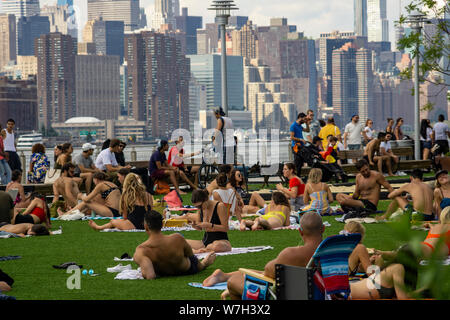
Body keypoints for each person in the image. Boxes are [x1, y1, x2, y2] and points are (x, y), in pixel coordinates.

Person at [202, 212, 324, 299]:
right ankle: (226, 275)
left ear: (300, 231)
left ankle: (228, 277)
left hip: (294, 294)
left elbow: (267, 272)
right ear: (323, 229)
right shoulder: (335, 250)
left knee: (233, 282)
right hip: (324, 293)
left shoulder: (292, 254)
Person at [133, 210, 217, 279]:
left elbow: (150, 275)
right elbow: (195, 263)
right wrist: (204, 264)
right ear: (162, 225)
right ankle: (206, 262)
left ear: (146, 227)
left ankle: (205, 262)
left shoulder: (141, 250)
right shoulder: (177, 238)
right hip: (186, 270)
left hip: (163, 272)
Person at [350, 245, 422, 299]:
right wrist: (423, 291)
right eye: (418, 257)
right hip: (346, 292)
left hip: (350, 289)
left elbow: (373, 280)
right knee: (360, 248)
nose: (420, 260)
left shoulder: (395, 268)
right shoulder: (398, 268)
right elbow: (402, 298)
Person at [88, 173, 153, 230]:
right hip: (147, 224)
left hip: (132, 225)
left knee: (113, 222)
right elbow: (151, 212)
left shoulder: (126, 196)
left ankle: (98, 227)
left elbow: (124, 217)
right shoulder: (148, 195)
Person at [185, 189, 231, 254]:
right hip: (205, 242)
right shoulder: (200, 209)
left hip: (221, 240)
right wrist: (195, 226)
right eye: (196, 207)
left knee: (216, 246)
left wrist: (210, 225)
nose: (199, 208)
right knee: (180, 241)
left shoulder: (219, 206)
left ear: (206, 199)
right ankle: (204, 249)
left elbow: (225, 228)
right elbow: (200, 228)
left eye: (199, 206)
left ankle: (203, 249)